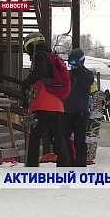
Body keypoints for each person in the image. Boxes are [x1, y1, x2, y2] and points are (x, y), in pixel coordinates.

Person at [22, 32, 70, 167]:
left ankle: (31, 166)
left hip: (43, 103)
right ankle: (65, 165)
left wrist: (26, 83)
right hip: (57, 103)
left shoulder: (40, 56)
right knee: (57, 135)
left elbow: (39, 71)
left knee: (35, 135)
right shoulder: (52, 57)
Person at [62, 48, 94, 167]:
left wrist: (80, 67)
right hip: (66, 111)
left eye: (74, 63)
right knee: (64, 139)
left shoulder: (87, 74)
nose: (72, 66)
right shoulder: (67, 74)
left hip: (81, 112)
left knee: (80, 140)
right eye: (70, 63)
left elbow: (87, 81)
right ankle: (69, 162)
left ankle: (80, 164)